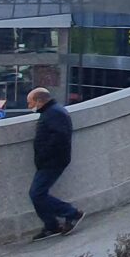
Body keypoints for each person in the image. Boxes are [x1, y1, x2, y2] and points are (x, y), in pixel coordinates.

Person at [25, 87, 82, 239]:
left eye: (30, 103)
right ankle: (51, 225)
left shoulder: (54, 113)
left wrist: (44, 155)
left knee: (37, 194)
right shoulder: (53, 112)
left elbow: (59, 137)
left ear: (39, 100)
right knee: (38, 193)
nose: (29, 107)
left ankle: (71, 213)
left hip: (52, 161)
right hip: (52, 160)